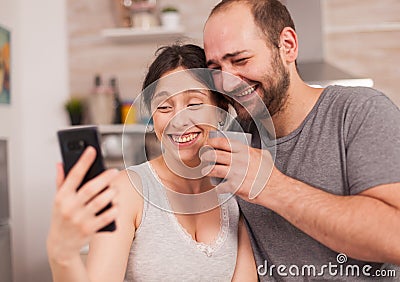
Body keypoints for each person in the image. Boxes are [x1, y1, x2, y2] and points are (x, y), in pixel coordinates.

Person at [202, 0, 400, 280]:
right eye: (216, 68)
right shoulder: (238, 136)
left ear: (288, 46)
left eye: (241, 60)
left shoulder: (358, 112)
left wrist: (272, 187)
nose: (227, 81)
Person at [46, 44, 257, 281]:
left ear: (220, 112)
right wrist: (62, 256)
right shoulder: (127, 190)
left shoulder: (236, 188)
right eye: (164, 107)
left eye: (194, 104)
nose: (178, 120)